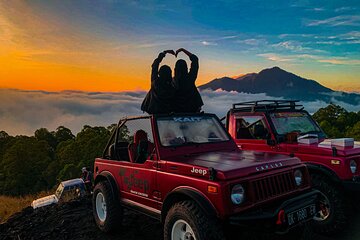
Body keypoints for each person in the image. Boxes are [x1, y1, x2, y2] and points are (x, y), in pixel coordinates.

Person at [172, 48, 203, 113]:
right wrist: (182, 50)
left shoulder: (172, 82)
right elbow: (195, 59)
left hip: (176, 111)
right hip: (193, 109)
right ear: (186, 68)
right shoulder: (190, 78)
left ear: (175, 69)